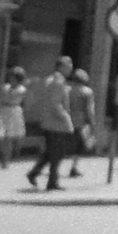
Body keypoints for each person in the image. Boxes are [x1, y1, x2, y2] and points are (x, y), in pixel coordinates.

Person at [26, 56, 75, 192]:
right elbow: (56, 104)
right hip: (56, 124)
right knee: (57, 154)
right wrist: (67, 120)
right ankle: (52, 182)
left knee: (50, 153)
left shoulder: (51, 80)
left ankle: (34, 173)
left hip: (48, 122)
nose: (70, 69)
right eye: (68, 66)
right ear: (60, 67)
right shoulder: (58, 82)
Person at [0, 66, 27, 168]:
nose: (11, 79)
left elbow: (11, 97)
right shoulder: (5, 87)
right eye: (10, 77)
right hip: (4, 110)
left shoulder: (21, 89)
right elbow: (2, 99)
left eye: (14, 78)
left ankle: (6, 160)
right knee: (0, 135)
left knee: (9, 136)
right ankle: (2, 155)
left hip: (13, 111)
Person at [68, 69, 96, 178]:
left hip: (67, 121)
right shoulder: (87, 91)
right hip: (81, 122)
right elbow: (89, 110)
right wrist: (92, 123)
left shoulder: (68, 90)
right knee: (78, 147)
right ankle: (73, 168)